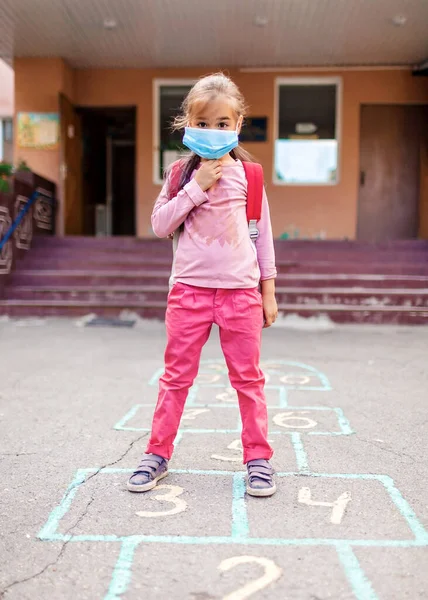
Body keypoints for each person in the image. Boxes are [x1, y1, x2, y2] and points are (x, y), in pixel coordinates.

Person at [127, 73, 278, 497]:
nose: (214, 132)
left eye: (223, 123)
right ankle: (157, 454)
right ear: (189, 124)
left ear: (238, 123)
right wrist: (197, 188)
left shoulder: (250, 176)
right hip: (190, 292)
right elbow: (160, 224)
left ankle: (258, 459)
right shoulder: (179, 174)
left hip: (240, 293)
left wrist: (268, 291)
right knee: (176, 378)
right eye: (205, 123)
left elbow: (261, 234)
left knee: (248, 380)